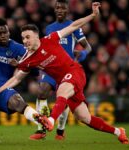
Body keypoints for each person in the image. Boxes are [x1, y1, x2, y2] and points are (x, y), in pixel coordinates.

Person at [0, 2, 129, 144]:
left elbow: (73, 25)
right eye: (23, 38)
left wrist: (93, 14)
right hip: (64, 81)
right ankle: (118, 132)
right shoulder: (28, 59)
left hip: (74, 71)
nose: (25, 41)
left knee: (62, 91)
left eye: (28, 37)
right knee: (84, 118)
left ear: (36, 36)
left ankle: (51, 121)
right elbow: (16, 79)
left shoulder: (51, 38)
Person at [30, 0, 92, 140]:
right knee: (42, 92)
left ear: (67, 10)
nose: (60, 10)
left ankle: (60, 130)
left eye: (63, 8)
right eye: (57, 8)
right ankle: (41, 129)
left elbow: (88, 47)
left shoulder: (73, 26)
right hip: (50, 68)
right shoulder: (49, 28)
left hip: (66, 69)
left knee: (62, 99)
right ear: (54, 9)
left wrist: (83, 53)